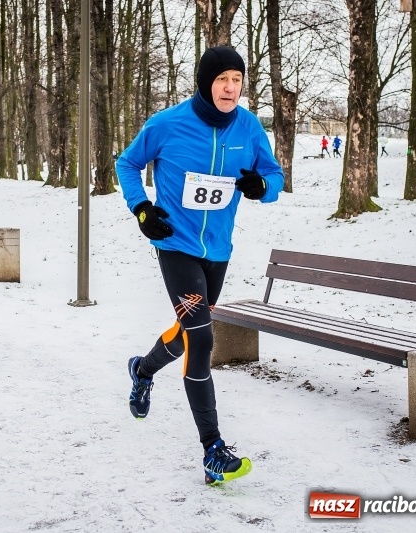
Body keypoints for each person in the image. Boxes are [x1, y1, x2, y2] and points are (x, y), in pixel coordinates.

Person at [116, 46, 284, 485]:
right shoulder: (167, 123)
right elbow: (127, 163)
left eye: (237, 79)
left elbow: (275, 178)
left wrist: (260, 185)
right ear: (205, 82)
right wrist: (142, 208)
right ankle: (213, 449)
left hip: (218, 251)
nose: (231, 87)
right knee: (202, 338)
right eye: (222, 79)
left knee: (190, 330)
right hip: (175, 244)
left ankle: (143, 369)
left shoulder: (248, 127)